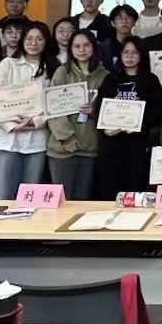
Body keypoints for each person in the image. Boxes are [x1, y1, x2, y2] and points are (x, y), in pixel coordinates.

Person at [0, 21, 57, 199]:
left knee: (29, 197)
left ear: (46, 41)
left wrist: (35, 121)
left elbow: (57, 105)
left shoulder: (53, 69)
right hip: (6, 140)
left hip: (37, 141)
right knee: (3, 196)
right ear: (22, 40)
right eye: (29, 38)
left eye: (39, 39)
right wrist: (11, 125)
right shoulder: (7, 64)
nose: (33, 43)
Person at [94, 35, 162, 198]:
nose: (129, 56)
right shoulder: (110, 78)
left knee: (134, 189)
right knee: (110, 188)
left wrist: (139, 123)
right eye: (126, 52)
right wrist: (104, 129)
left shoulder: (150, 80)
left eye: (134, 52)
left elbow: (159, 110)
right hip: (112, 144)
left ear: (141, 55)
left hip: (137, 144)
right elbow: (99, 109)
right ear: (120, 55)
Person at [46, 30, 109, 199]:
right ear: (71, 49)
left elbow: (110, 111)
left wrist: (94, 111)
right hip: (62, 148)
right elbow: (52, 108)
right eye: (77, 46)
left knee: (82, 200)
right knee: (62, 200)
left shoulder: (105, 76)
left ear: (94, 47)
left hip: (90, 147)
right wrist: (66, 137)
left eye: (86, 45)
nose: (82, 50)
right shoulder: (62, 72)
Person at [99, 3, 138, 71]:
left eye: (128, 18)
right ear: (112, 23)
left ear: (134, 22)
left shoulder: (140, 45)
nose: (124, 21)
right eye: (119, 18)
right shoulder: (104, 47)